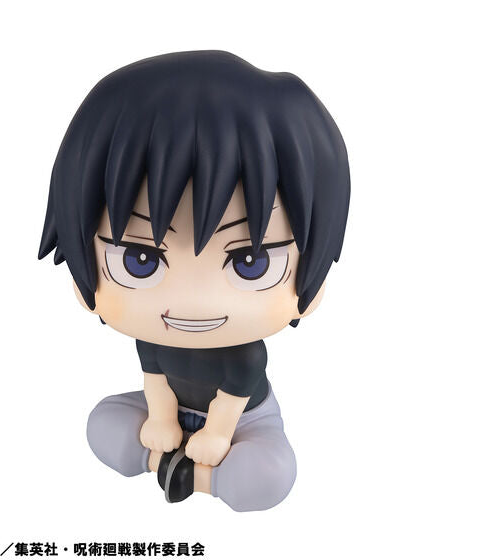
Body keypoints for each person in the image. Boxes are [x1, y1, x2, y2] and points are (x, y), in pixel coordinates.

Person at [39, 50, 350, 511]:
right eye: (140, 260)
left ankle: (190, 477)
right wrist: (161, 422)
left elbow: (233, 402)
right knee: (103, 423)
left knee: (268, 476)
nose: (194, 302)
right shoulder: (152, 337)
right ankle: (170, 465)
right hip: (167, 418)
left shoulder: (243, 353)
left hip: (244, 422)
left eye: (250, 261)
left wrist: (218, 437)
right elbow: (154, 381)